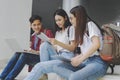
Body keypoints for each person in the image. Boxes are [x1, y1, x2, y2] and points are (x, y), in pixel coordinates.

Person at [52, 5, 109, 80]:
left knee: (74, 77)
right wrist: (75, 59)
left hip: (97, 62)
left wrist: (80, 59)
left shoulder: (90, 25)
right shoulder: (80, 31)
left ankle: (76, 77)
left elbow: (96, 45)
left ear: (78, 18)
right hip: (86, 62)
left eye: (71, 18)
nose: (70, 21)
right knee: (57, 67)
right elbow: (84, 51)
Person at [24, 9, 77, 80]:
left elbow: (72, 48)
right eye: (56, 20)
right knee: (44, 45)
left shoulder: (71, 29)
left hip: (67, 57)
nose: (58, 22)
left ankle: (43, 71)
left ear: (65, 18)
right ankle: (44, 71)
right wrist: (50, 43)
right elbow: (57, 48)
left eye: (59, 20)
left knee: (40, 66)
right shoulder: (58, 32)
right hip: (58, 55)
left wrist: (58, 43)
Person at [0, 15, 54, 80]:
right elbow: (32, 51)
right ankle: (2, 77)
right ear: (30, 26)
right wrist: (28, 50)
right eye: (34, 25)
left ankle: (9, 78)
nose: (37, 27)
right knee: (18, 53)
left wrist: (36, 52)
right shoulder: (33, 36)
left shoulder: (47, 32)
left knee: (24, 55)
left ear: (41, 24)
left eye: (38, 24)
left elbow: (50, 50)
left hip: (44, 59)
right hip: (36, 57)